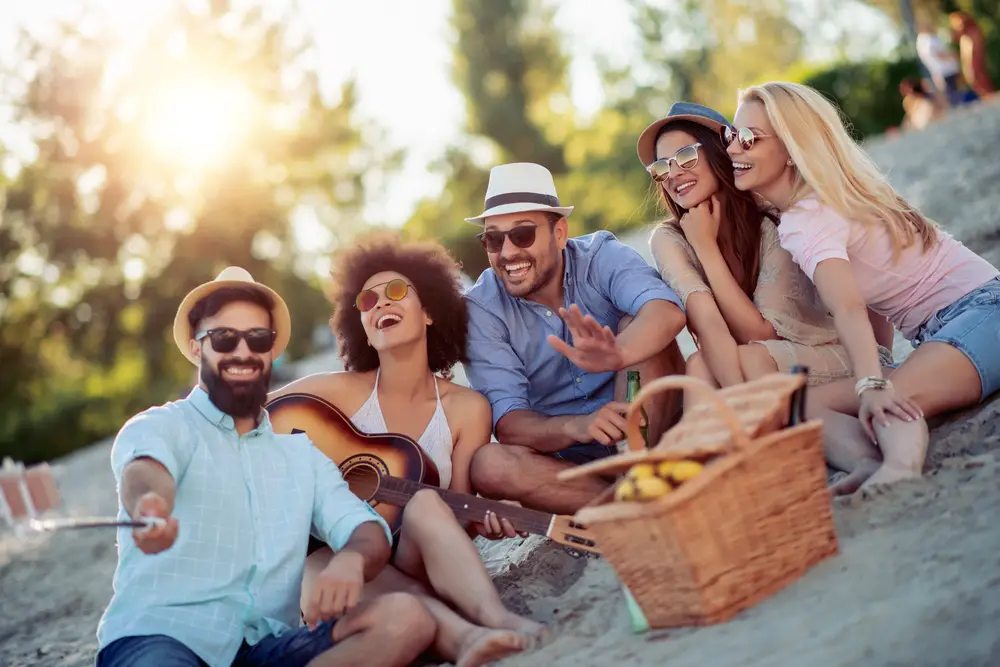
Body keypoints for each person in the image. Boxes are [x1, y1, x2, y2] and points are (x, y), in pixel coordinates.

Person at [95, 267, 436, 667]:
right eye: (223, 338)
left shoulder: (301, 457)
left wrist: (351, 560)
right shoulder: (161, 426)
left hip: (268, 648)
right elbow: (145, 473)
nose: (243, 351)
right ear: (195, 347)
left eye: (258, 338)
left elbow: (363, 529)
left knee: (405, 618)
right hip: (163, 640)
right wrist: (150, 506)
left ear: (272, 351)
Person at [267, 233, 545, 667]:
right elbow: (252, 420)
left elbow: (460, 516)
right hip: (348, 571)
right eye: (367, 300)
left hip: (423, 562)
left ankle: (496, 618)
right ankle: (469, 637)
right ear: (359, 324)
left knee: (427, 502)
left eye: (396, 291)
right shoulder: (332, 393)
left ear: (430, 310)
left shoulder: (468, 409)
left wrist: (485, 520)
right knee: (322, 556)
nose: (381, 303)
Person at [726, 81, 1000, 494]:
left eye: (748, 139)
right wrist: (877, 364)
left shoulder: (807, 218)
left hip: (983, 316)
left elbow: (849, 306)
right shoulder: (831, 197)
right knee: (805, 404)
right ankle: (865, 460)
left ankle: (899, 470)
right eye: (731, 136)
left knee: (889, 397)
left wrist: (872, 383)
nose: (732, 149)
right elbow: (871, 299)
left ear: (791, 148)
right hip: (951, 331)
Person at [462, 162, 687, 515]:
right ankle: (637, 498)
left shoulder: (602, 256)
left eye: (522, 235)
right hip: (570, 455)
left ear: (560, 233)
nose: (506, 253)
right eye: (493, 239)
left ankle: (628, 489)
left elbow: (666, 311)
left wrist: (618, 355)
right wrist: (578, 426)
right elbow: (508, 424)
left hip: (645, 421)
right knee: (489, 465)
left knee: (637, 323)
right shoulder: (481, 310)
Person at [638, 102, 894, 396]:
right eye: (661, 167)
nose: (672, 174)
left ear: (719, 152)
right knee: (698, 365)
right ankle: (729, 439)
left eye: (686, 157)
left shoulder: (772, 220)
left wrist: (706, 249)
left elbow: (760, 334)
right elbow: (708, 327)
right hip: (754, 366)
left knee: (740, 360)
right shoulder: (669, 238)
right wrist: (742, 402)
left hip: (834, 354)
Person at [916, 19, 966, 108]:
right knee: (954, 95)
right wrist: (953, 56)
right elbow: (938, 54)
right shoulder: (927, 40)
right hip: (946, 70)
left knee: (952, 94)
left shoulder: (923, 41)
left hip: (942, 71)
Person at [950, 10, 996, 99]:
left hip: (974, 64)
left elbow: (972, 53)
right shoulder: (964, 36)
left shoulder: (971, 32)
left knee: (979, 81)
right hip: (971, 65)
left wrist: (969, 67)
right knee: (976, 83)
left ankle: (990, 98)